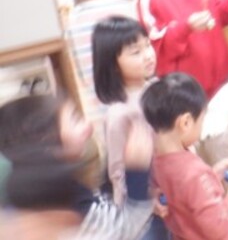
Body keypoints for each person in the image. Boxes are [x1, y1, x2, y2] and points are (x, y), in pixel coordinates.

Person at [0, 95, 152, 240]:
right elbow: (125, 228)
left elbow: (103, 209)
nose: (87, 126)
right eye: (75, 120)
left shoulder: (48, 183)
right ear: (47, 140)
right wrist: (136, 171)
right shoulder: (60, 196)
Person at [142, 72, 228, 240]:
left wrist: (212, 176)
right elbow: (219, 226)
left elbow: (187, 197)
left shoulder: (156, 161)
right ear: (185, 123)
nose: (202, 126)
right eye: (201, 120)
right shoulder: (195, 173)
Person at [92, 16, 169, 239]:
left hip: (174, 186)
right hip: (149, 208)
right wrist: (146, 200)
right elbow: (118, 173)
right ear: (112, 64)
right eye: (136, 52)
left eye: (148, 45)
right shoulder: (119, 113)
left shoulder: (157, 88)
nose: (148, 54)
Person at [65, 0, 135, 125]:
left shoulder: (75, 16)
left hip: (97, 96)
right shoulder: (126, 8)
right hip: (129, 93)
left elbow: (77, 65)